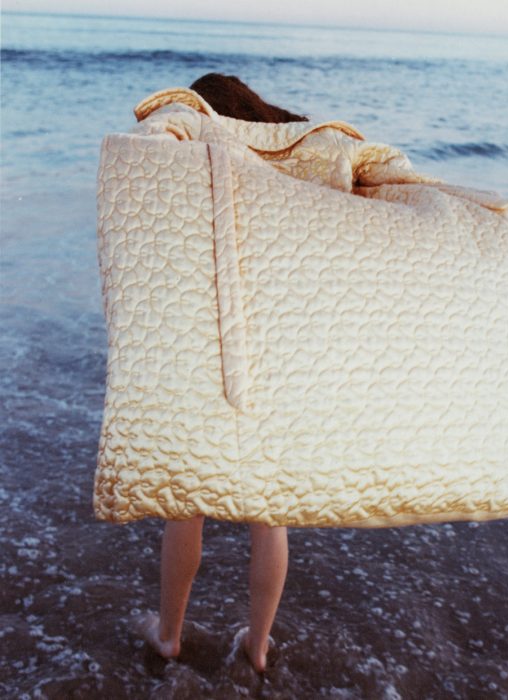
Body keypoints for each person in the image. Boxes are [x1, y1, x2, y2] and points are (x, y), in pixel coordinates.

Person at [133, 73, 309, 675]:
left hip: (203, 351)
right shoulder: (282, 181)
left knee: (186, 504)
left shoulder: (191, 178)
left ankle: (169, 636)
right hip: (271, 355)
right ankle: (257, 646)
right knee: (270, 512)